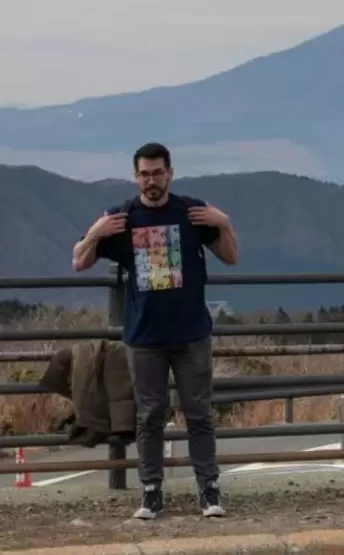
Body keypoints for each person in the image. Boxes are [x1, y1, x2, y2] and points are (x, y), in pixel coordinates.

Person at [72, 142, 239, 519]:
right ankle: (151, 492)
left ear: (170, 173)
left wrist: (223, 222)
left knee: (198, 413)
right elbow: (79, 261)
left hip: (191, 333)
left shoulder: (192, 213)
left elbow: (231, 256)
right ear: (136, 176)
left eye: (158, 173)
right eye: (144, 174)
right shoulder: (121, 218)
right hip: (145, 337)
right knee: (149, 415)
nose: (151, 180)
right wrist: (96, 232)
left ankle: (209, 490)